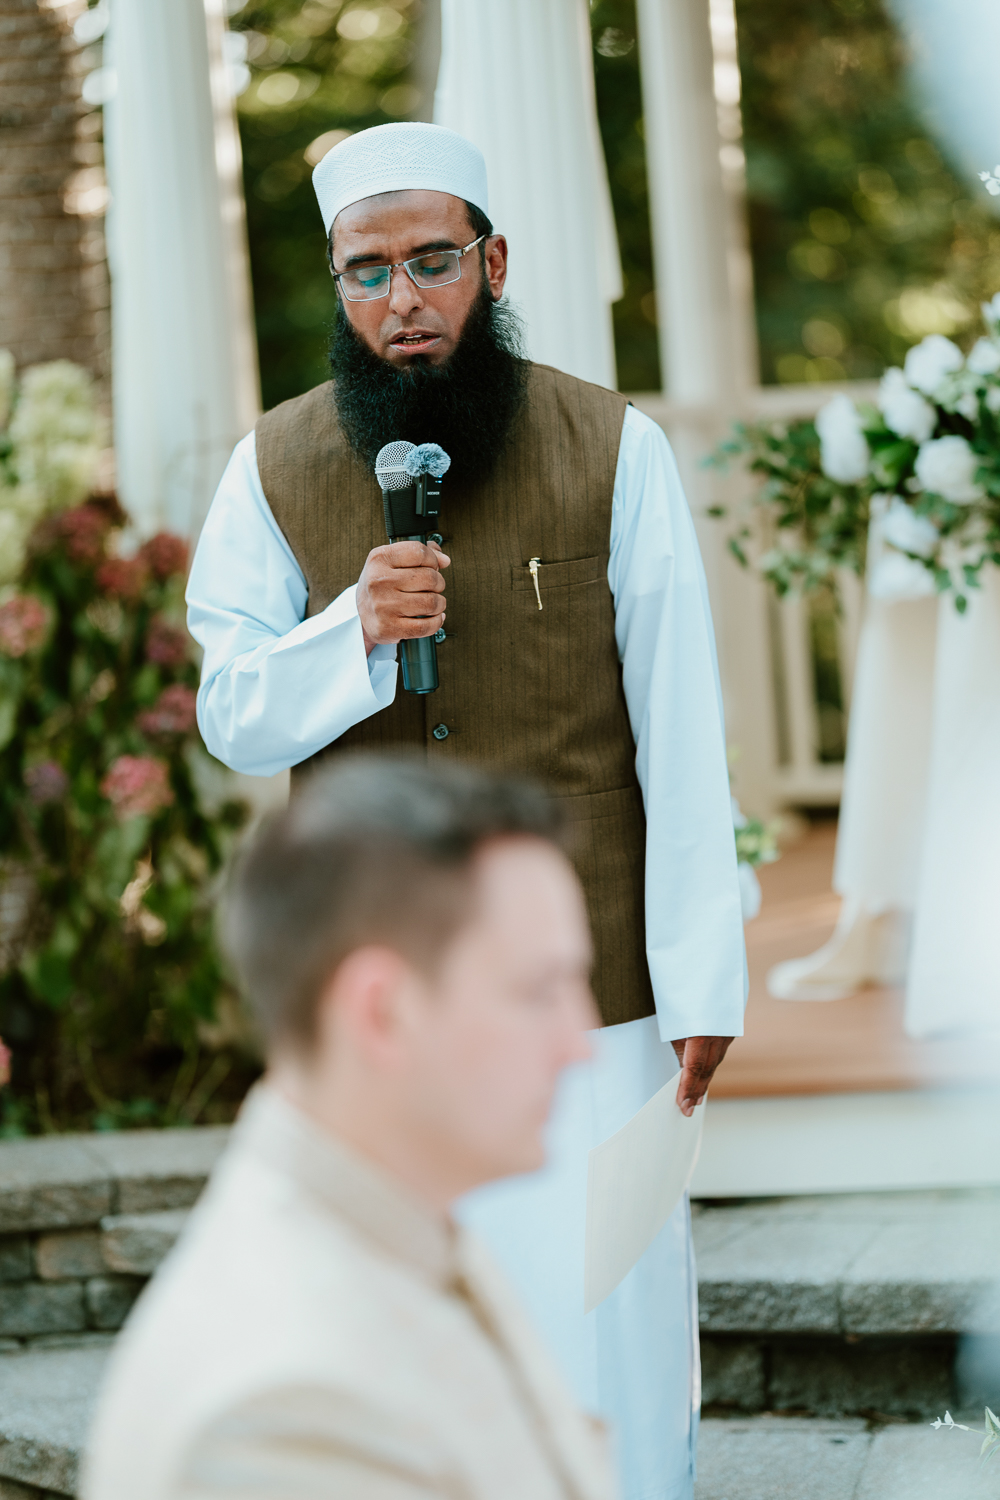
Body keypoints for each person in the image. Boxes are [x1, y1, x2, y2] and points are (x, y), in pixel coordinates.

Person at [186, 122, 746, 1500]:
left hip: (590, 986)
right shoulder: (270, 465)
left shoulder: (614, 447)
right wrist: (352, 633)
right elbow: (233, 711)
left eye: (431, 262)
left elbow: (681, 730)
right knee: (416, 1332)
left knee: (606, 1324)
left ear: (492, 264)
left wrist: (702, 977)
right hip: (384, 987)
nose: (402, 300)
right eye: (366, 272)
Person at [82, 756, 615, 1500]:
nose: (582, 1043)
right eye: (539, 991)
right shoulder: (286, 1417)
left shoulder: (406, 1228)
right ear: (381, 1012)